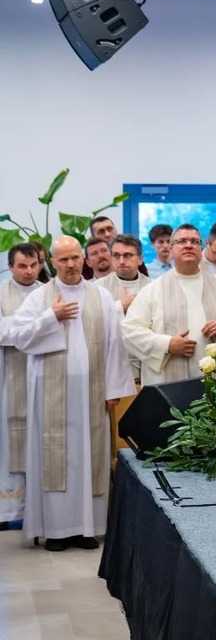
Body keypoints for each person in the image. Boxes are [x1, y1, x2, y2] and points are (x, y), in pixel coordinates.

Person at [10, 236, 135, 551]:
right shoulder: (41, 297)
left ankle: (85, 529)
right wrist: (51, 317)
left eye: (75, 258)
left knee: (88, 457)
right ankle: (56, 530)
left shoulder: (101, 297)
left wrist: (113, 388)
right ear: (52, 262)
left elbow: (113, 345)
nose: (70, 264)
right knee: (56, 457)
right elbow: (19, 337)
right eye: (63, 259)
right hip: (50, 395)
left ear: (84, 259)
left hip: (91, 394)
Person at [121, 224, 216, 386]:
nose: (188, 245)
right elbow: (130, 331)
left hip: (215, 382)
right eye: (182, 241)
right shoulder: (152, 290)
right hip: (167, 381)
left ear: (201, 248)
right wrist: (167, 345)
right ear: (172, 249)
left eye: (194, 241)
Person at [1, 244, 43, 530]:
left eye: (33, 265)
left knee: (42, 441)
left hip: (44, 375)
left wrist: (19, 327)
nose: (29, 271)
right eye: (22, 266)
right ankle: (7, 510)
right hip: (11, 377)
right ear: (10, 266)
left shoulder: (50, 291)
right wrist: (36, 325)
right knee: (9, 443)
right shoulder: (2, 293)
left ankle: (40, 511)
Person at [96, 234, 151, 314]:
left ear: (140, 259)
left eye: (127, 255)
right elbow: (93, 316)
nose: (121, 262)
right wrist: (120, 306)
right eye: (116, 255)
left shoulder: (152, 286)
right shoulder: (98, 286)